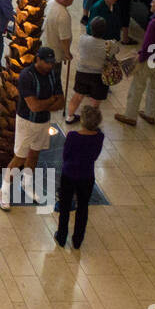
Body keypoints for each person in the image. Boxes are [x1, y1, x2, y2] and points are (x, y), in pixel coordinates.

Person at [0, 45, 64, 210]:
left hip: (43, 122)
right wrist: (51, 101)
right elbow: (33, 106)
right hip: (26, 122)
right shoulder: (26, 76)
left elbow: (61, 102)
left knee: (34, 154)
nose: (50, 66)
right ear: (38, 60)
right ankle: (4, 190)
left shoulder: (54, 74)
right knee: (20, 157)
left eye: (52, 63)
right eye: (47, 63)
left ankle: (26, 184)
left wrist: (45, 104)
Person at [55, 104, 104, 249]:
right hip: (87, 176)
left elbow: (66, 156)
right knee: (83, 208)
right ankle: (77, 240)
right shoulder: (99, 137)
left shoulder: (73, 136)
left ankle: (62, 237)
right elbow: (95, 156)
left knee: (65, 207)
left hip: (69, 174)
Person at [65, 16, 114, 124]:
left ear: (91, 28)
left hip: (82, 72)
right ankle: (91, 122)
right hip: (99, 76)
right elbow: (115, 52)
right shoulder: (109, 45)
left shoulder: (83, 39)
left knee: (78, 96)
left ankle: (70, 116)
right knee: (95, 101)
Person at [43, 0, 74, 82]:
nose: (73, 0)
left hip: (43, 46)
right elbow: (64, 39)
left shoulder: (51, 2)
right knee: (53, 80)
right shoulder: (63, 15)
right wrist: (67, 53)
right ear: (66, 0)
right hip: (54, 54)